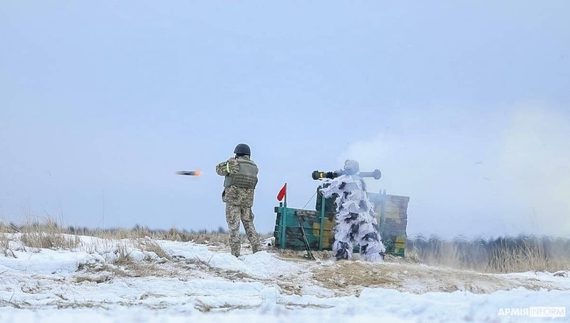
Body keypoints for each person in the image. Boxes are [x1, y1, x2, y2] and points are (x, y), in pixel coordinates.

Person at [320, 159, 386, 262]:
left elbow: (328, 191)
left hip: (350, 217)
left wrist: (331, 178)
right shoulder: (359, 181)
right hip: (360, 217)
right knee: (371, 240)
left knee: (344, 241)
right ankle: (375, 261)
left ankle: (343, 260)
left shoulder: (344, 180)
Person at [215, 143, 261, 257]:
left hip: (233, 200)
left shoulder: (234, 163)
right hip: (247, 202)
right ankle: (258, 251)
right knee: (249, 225)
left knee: (234, 227)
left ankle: (235, 254)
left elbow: (218, 169)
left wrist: (229, 161)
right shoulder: (254, 167)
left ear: (237, 153)